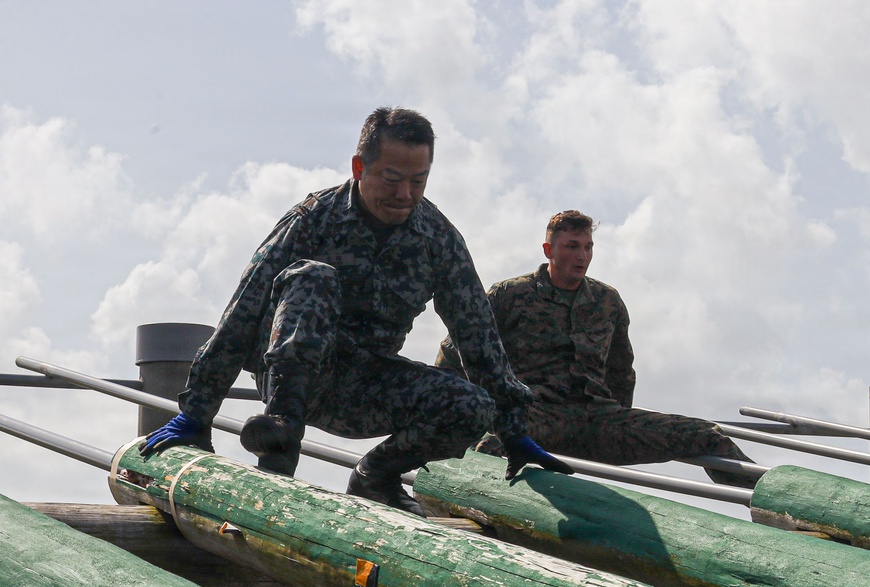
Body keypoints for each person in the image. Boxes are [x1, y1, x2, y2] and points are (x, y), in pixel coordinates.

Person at [139, 107, 572, 517]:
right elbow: (242, 313)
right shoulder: (313, 220)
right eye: (391, 179)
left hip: (363, 386)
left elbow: (478, 335)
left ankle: (375, 477)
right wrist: (197, 413)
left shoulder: (437, 238)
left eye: (418, 181)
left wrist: (513, 430)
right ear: (358, 168)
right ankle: (282, 442)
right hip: (292, 377)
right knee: (314, 277)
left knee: (472, 405)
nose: (404, 195)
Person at [436, 209, 761, 488]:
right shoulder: (511, 295)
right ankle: (457, 502)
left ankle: (780, 512)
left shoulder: (608, 302)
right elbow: (455, 352)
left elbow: (621, 373)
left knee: (706, 435)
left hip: (596, 418)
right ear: (549, 249)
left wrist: (618, 426)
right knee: (496, 442)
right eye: (572, 246)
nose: (582, 256)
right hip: (537, 414)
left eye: (588, 247)